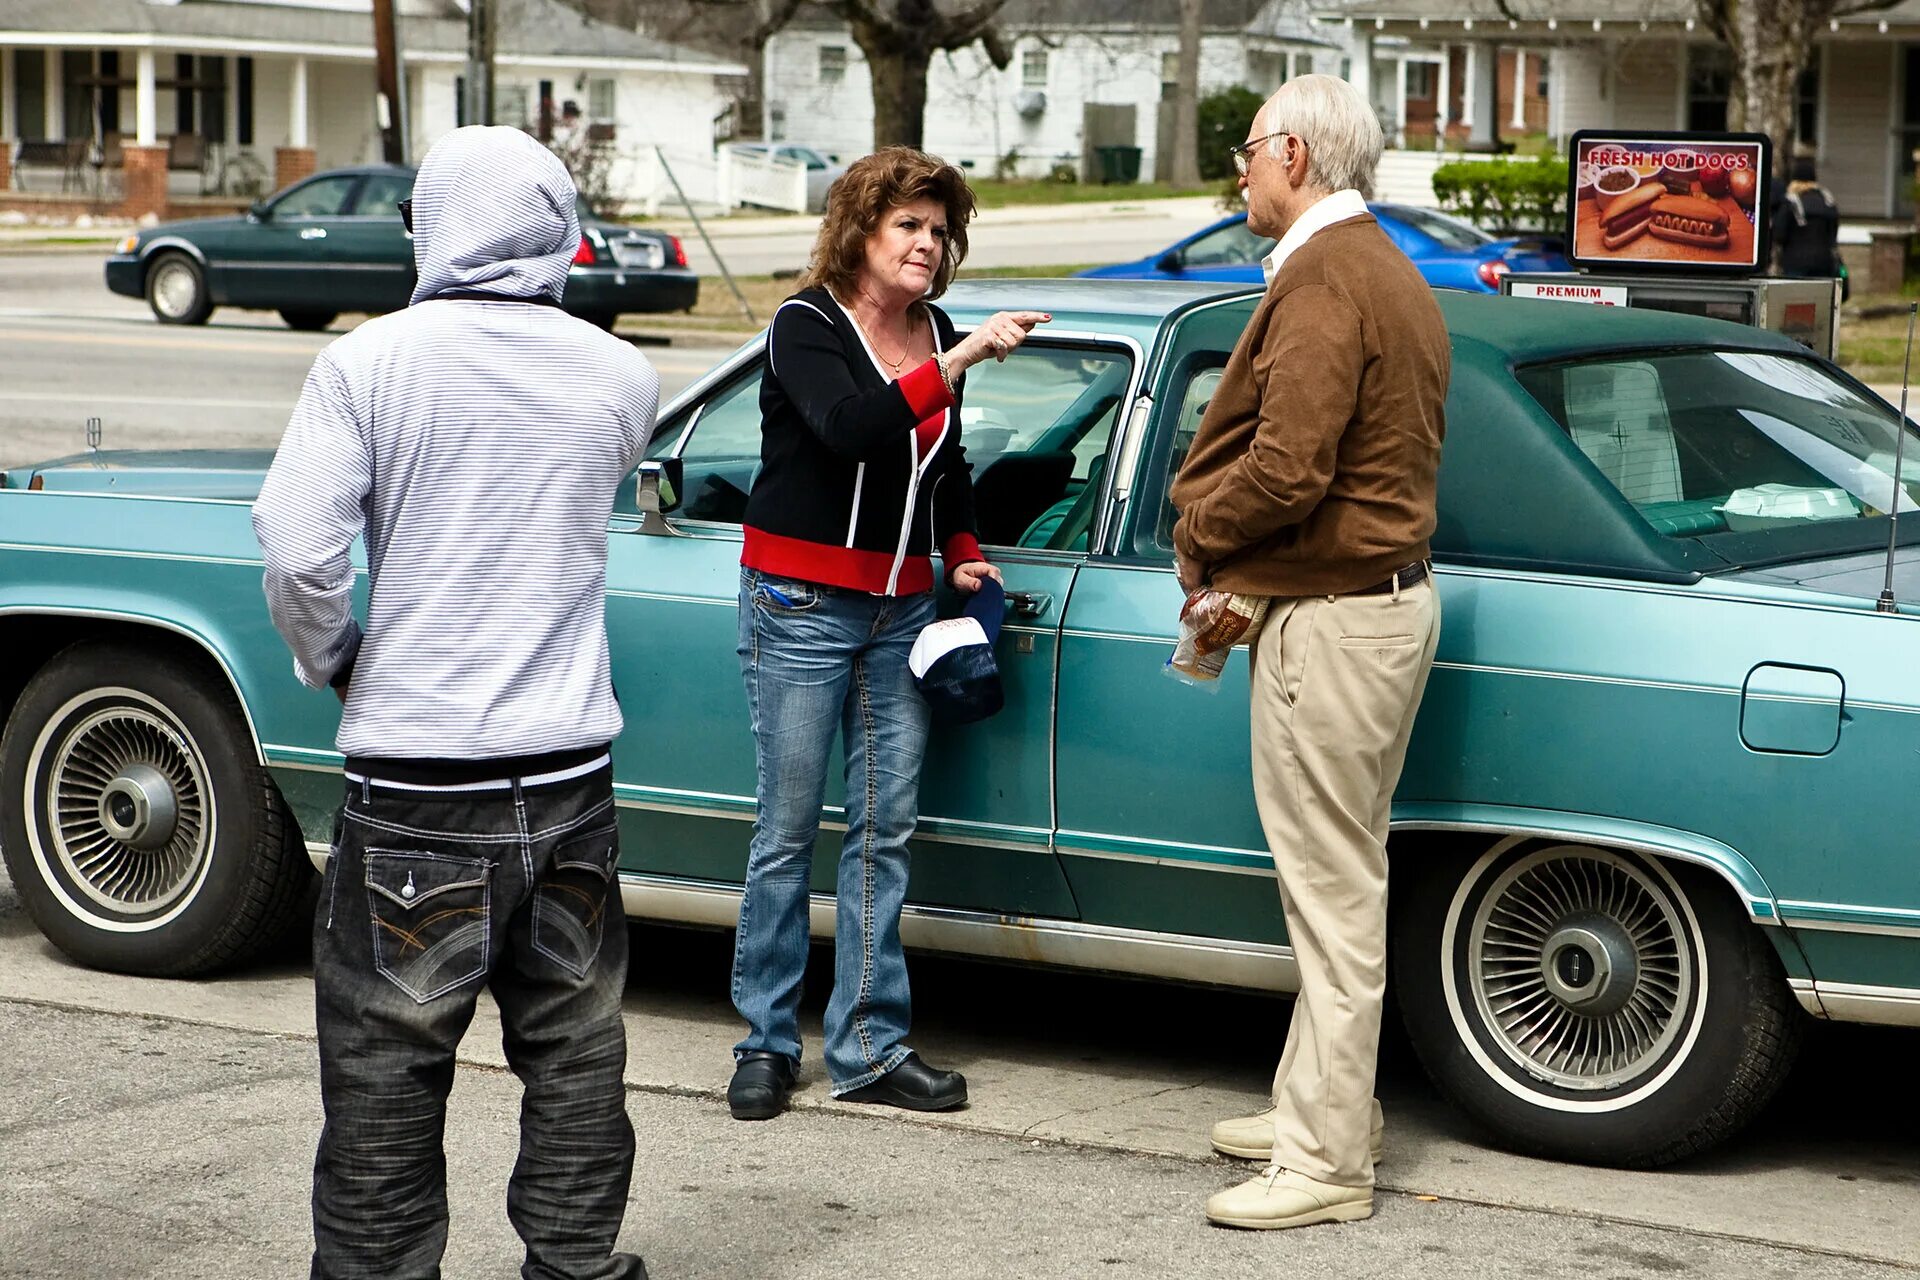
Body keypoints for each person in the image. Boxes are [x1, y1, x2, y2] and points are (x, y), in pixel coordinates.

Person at [252, 126, 659, 1279]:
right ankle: (577, 1264)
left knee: (388, 1068)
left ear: (433, 224)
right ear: (559, 227)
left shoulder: (372, 364)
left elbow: (297, 549)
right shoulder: (620, 373)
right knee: (576, 1050)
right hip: (572, 775)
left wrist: (336, 656)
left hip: (422, 781)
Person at [1168, 75, 1448, 1230]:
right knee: (1339, 878)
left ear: (1292, 153)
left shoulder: (1330, 275)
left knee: (1332, 893)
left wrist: (1197, 531)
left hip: (1333, 617)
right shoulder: (1379, 265)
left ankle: (1327, 1161)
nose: (1237, 171)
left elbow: (1289, 470)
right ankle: (1318, 1109)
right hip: (1364, 606)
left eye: (1245, 150)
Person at [725, 145, 1049, 1121]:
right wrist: (952, 363)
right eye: (909, 224)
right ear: (862, 230)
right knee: (786, 832)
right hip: (800, 607)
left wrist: (960, 545)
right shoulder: (806, 325)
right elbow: (850, 428)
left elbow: (943, 464)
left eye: (940, 230)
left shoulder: (935, 326)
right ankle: (767, 1041)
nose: (927, 243)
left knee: (883, 832)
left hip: (903, 612)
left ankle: (869, 1042)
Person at [1773, 154, 1845, 299]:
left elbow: (1779, 234)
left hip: (1795, 263)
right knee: (1820, 302)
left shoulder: (1791, 202)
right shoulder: (1827, 200)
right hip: (1824, 262)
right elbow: (1834, 233)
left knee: (1795, 301)